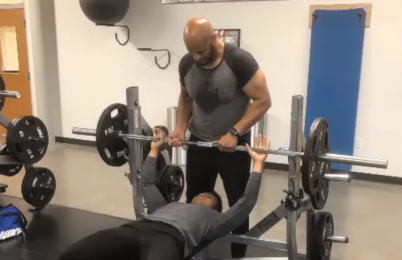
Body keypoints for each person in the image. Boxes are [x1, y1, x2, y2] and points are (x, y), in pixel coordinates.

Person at [59, 128, 271, 260]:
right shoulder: (164, 206)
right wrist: (154, 149)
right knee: (71, 254)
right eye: (204, 193)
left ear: (215, 210)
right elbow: (146, 181)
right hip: (137, 228)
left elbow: (245, 204)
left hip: (171, 239)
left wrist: (258, 164)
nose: (205, 195)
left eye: (210, 198)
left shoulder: (217, 222)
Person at [168, 17, 272, 258]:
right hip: (199, 142)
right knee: (194, 201)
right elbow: (185, 97)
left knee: (238, 207)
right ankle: (196, 253)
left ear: (214, 37)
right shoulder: (186, 63)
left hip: (232, 148)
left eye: (200, 51)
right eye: (191, 52)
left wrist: (234, 132)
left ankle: (236, 256)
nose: (196, 57)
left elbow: (263, 100)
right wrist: (180, 127)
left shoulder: (239, 61)